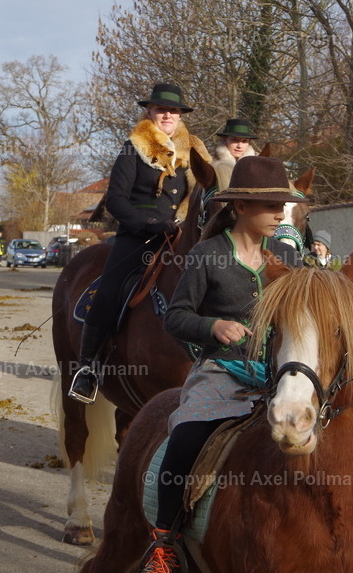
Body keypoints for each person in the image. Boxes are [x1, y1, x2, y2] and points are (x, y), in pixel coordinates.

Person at [141, 156, 306, 571]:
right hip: (222, 373)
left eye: (282, 207)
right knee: (186, 440)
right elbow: (175, 316)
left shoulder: (287, 254)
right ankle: (165, 542)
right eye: (271, 207)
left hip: (281, 374)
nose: (279, 215)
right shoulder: (207, 254)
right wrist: (213, 326)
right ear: (242, 208)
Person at [68, 83, 211, 403]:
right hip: (139, 234)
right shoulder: (133, 148)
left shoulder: (193, 152)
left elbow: (207, 195)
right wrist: (148, 223)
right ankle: (88, 369)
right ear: (150, 112)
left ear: (180, 116)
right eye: (162, 109)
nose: (168, 115)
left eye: (173, 111)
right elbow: (116, 201)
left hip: (181, 234)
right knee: (109, 289)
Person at [210, 118, 259, 189]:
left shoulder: (258, 164)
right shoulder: (212, 164)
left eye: (244, 141)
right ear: (225, 139)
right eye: (234, 140)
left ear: (249, 142)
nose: (239, 146)